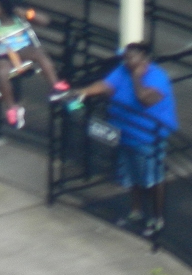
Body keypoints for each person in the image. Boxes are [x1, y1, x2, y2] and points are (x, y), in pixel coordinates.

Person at [65, 43, 178, 238]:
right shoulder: (122, 70)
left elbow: (144, 99)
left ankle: (157, 218)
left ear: (144, 60)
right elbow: (105, 85)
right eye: (124, 57)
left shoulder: (158, 78)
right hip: (125, 134)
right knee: (133, 176)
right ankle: (136, 212)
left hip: (148, 138)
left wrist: (136, 77)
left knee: (151, 180)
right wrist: (81, 92)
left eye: (130, 58)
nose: (125, 61)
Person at [0, 0, 68, 129]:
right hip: (3, 54)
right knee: (1, 72)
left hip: (22, 49)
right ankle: (12, 108)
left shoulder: (18, 18)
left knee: (39, 53)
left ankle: (55, 85)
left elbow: (45, 21)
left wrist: (27, 13)